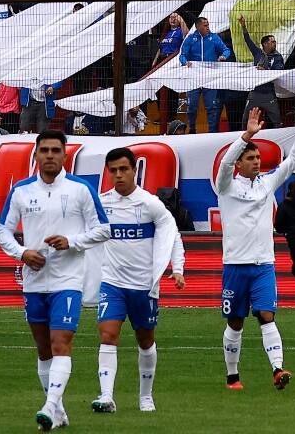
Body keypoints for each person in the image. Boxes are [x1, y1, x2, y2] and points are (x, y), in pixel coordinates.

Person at [0, 129, 110, 431]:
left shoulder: (81, 189)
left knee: (62, 343)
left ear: (65, 155)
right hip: (34, 281)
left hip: (68, 280)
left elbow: (103, 229)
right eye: (43, 150)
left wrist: (71, 241)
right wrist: (22, 253)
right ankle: (57, 410)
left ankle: (48, 405)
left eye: (54, 150)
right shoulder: (21, 191)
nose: (49, 155)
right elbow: (2, 231)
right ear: (36, 155)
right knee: (44, 348)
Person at [217, 101, 295, 392]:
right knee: (235, 322)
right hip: (235, 264)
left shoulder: (266, 183)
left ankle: (277, 369)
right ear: (239, 164)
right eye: (250, 158)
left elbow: (293, 162)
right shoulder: (226, 186)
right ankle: (232, 376)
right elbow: (224, 164)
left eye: (258, 158)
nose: (257, 162)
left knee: (267, 315)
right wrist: (246, 136)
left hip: (263, 265)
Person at [92, 147, 186, 415]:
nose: (118, 175)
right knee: (108, 335)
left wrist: (177, 268)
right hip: (112, 283)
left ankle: (146, 396)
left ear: (135, 170)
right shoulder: (102, 204)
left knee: (145, 340)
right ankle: (106, 396)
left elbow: (172, 234)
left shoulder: (150, 203)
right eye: (113, 171)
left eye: (124, 169)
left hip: (144, 286)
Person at [178, 17, 231, 132]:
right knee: (192, 107)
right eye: (205, 25)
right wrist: (185, 62)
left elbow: (226, 50)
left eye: (208, 25)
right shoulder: (190, 39)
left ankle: (212, 132)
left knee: (211, 107)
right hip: (194, 78)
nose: (208, 27)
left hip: (210, 78)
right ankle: (192, 129)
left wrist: (223, 57)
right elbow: (182, 55)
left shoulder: (214, 37)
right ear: (198, 27)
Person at [237, 16, 284, 128]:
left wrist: (265, 71)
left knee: (277, 121)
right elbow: (247, 40)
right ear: (265, 44)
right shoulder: (257, 53)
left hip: (269, 94)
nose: (274, 43)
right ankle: (244, 139)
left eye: (275, 42)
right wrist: (243, 26)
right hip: (255, 93)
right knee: (245, 119)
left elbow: (279, 72)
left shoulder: (278, 57)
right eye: (272, 42)